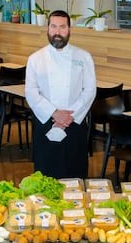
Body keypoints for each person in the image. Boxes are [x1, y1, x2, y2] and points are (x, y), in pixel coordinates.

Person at [25, 10, 96, 179]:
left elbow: (90, 90)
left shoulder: (84, 57)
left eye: (62, 27)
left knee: (75, 172)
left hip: (75, 124)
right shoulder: (35, 58)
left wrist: (69, 116)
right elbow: (31, 91)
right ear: (48, 29)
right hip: (46, 122)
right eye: (54, 26)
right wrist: (54, 113)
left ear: (70, 29)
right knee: (45, 173)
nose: (57, 32)